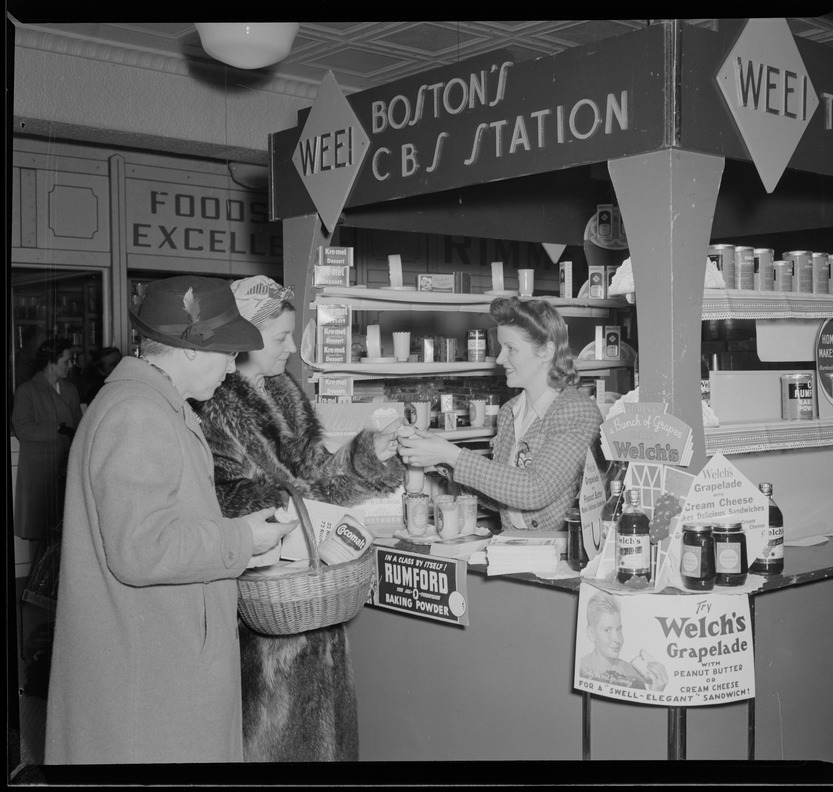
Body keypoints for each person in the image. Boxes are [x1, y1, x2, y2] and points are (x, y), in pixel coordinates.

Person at [45, 276, 293, 764]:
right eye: (227, 351)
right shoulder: (139, 413)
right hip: (152, 687)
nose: (232, 364)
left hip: (157, 663)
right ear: (190, 349)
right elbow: (142, 548)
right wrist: (242, 537)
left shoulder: (150, 402)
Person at [192, 275, 405, 762]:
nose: (291, 350)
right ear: (242, 337)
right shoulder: (209, 407)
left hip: (312, 606)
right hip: (261, 616)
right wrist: (288, 501)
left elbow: (322, 488)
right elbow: (215, 502)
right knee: (273, 742)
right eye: (281, 338)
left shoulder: (285, 394)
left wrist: (365, 456)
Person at [396, 296, 603, 531]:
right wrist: (444, 462)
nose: (499, 358)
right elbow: (502, 495)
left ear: (546, 350)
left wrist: (453, 455)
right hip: (513, 549)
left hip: (559, 556)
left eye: (511, 349)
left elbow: (535, 490)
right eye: (500, 347)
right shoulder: (509, 411)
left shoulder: (577, 411)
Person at [11, 339, 83, 563]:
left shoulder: (70, 390)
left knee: (64, 533)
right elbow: (22, 428)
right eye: (66, 360)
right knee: (39, 532)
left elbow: (78, 427)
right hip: (38, 470)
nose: (70, 365)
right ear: (51, 362)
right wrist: (58, 430)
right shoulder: (27, 390)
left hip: (64, 468)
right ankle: (35, 591)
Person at [578, 591, 668, 691]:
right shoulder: (583, 669)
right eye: (607, 630)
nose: (617, 639)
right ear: (591, 634)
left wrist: (655, 692)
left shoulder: (632, 674)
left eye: (619, 629)